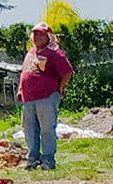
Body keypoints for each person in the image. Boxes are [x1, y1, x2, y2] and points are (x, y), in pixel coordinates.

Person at [17, 22, 74, 170]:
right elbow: (24, 72)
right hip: (28, 98)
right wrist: (20, 89)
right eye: (35, 34)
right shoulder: (31, 52)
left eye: (41, 34)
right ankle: (32, 160)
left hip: (46, 96)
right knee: (29, 129)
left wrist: (60, 87)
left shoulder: (54, 52)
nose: (37, 37)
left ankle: (48, 160)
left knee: (47, 129)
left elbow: (67, 72)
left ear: (48, 37)